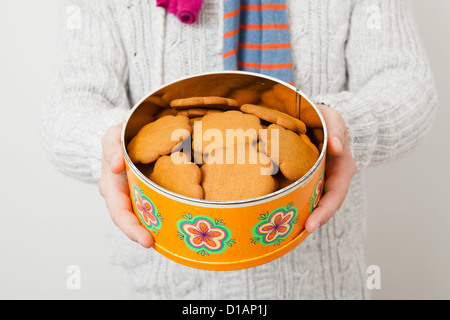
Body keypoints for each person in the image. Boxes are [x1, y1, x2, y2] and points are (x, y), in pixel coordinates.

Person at [41, 0, 437, 299]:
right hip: (169, 286)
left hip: (322, 281)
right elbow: (67, 108)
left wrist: (345, 128)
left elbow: (407, 85)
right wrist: (113, 148)